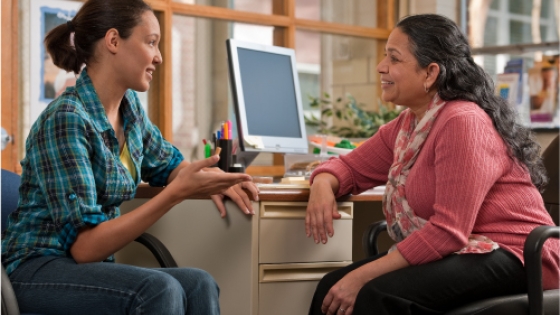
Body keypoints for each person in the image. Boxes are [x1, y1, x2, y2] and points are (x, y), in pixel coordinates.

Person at [1, 0, 259, 314]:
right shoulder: (67, 118)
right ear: (113, 41)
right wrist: (174, 195)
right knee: (158, 289)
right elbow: (84, 248)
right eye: (151, 42)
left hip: (86, 268)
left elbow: (169, 164)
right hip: (37, 270)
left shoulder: (130, 110)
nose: (159, 57)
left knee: (199, 282)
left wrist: (212, 181)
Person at [305, 14, 559, 315]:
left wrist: (360, 276)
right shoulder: (409, 126)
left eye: (394, 58)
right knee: (330, 288)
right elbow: (348, 168)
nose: (381, 67)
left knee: (373, 293)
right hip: (467, 249)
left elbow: (448, 232)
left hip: (517, 254)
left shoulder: (463, 121)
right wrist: (322, 183)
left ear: (430, 73)